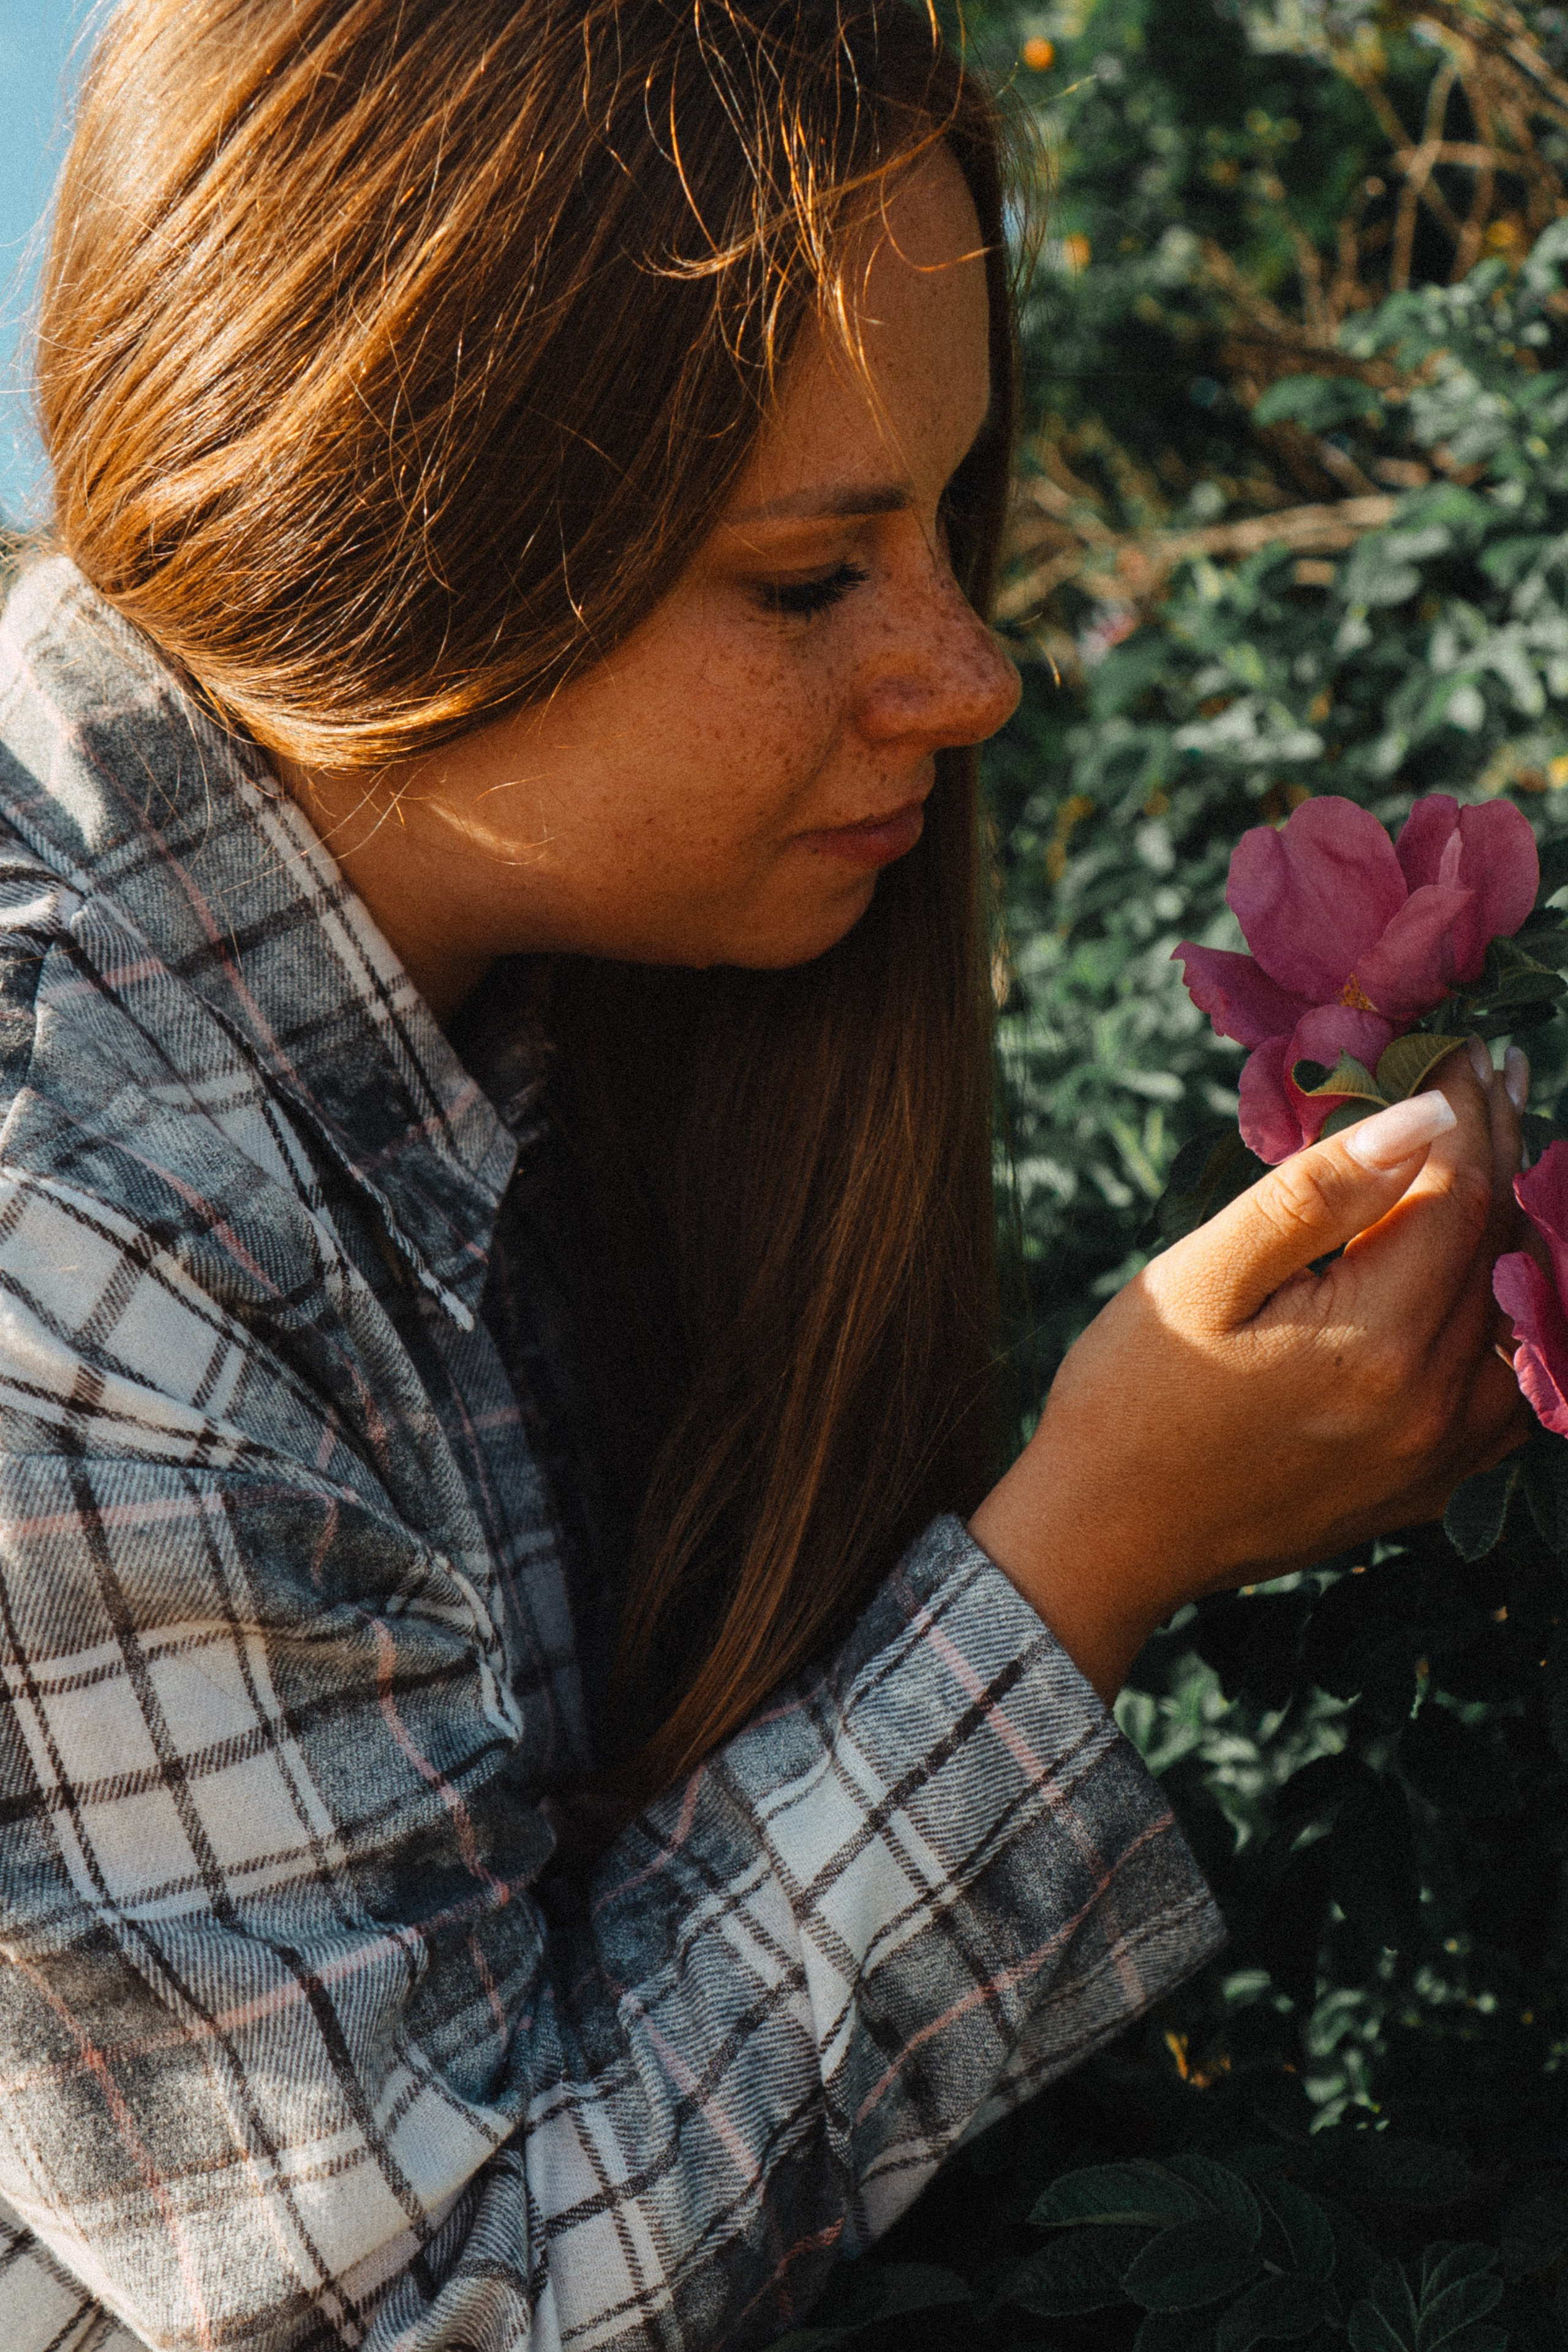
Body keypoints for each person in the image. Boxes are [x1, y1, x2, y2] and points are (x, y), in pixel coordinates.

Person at [0, 4, 1528, 2350]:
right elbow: (443, 2309)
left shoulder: (517, 975)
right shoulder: (67, 1228)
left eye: (948, 512)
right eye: (812, 580)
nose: (973, 667)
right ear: (377, 540)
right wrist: (1097, 1547)